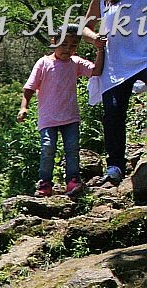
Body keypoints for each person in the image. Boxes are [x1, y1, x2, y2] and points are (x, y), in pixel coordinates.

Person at [18, 24, 99, 197]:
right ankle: (45, 183)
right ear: (53, 42)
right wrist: (24, 107)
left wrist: (101, 49)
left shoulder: (75, 63)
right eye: (63, 45)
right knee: (48, 148)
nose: (67, 49)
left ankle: (73, 180)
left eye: (73, 46)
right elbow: (30, 87)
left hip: (70, 117)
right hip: (48, 118)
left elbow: (96, 70)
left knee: (72, 148)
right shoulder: (44, 63)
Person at [84, 0, 147, 183]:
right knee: (113, 114)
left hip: (144, 58)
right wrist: (94, 38)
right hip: (115, 66)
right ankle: (115, 166)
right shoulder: (101, 1)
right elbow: (86, 27)